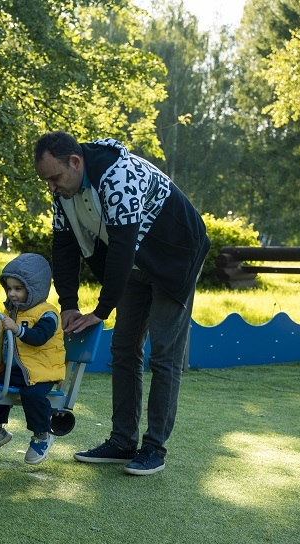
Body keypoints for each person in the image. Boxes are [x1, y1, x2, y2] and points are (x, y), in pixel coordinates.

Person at [33, 131, 210, 475]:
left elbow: (122, 246)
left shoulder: (118, 175)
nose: (52, 188)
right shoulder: (63, 191)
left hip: (176, 256)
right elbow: (64, 246)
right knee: (124, 347)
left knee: (164, 352)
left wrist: (101, 311)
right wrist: (68, 304)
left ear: (75, 162)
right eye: (46, 182)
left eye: (54, 178)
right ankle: (122, 441)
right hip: (135, 260)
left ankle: (154, 448)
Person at [0, 253, 66, 465]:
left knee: (33, 394)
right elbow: (0, 329)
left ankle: (41, 436)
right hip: (17, 370)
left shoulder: (47, 314)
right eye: (9, 288)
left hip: (42, 370)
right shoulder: (12, 311)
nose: (12, 294)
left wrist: (17, 329)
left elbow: (39, 337)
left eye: (18, 289)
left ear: (34, 288)